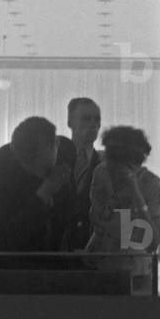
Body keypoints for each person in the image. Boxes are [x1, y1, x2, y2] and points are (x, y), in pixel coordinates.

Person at [85, 126, 160, 292]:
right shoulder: (101, 173)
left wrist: (134, 190)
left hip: (135, 270)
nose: (110, 166)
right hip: (101, 263)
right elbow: (97, 217)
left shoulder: (152, 184)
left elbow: (152, 242)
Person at [0, 116, 70, 253]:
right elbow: (7, 233)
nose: (39, 175)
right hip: (7, 259)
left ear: (54, 146)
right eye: (30, 166)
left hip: (53, 258)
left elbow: (68, 216)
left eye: (44, 168)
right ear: (17, 157)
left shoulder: (64, 158)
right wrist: (44, 193)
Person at [54, 97, 102, 250]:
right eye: (86, 118)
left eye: (97, 119)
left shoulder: (104, 165)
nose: (93, 124)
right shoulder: (53, 161)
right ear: (70, 122)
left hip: (91, 247)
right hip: (55, 247)